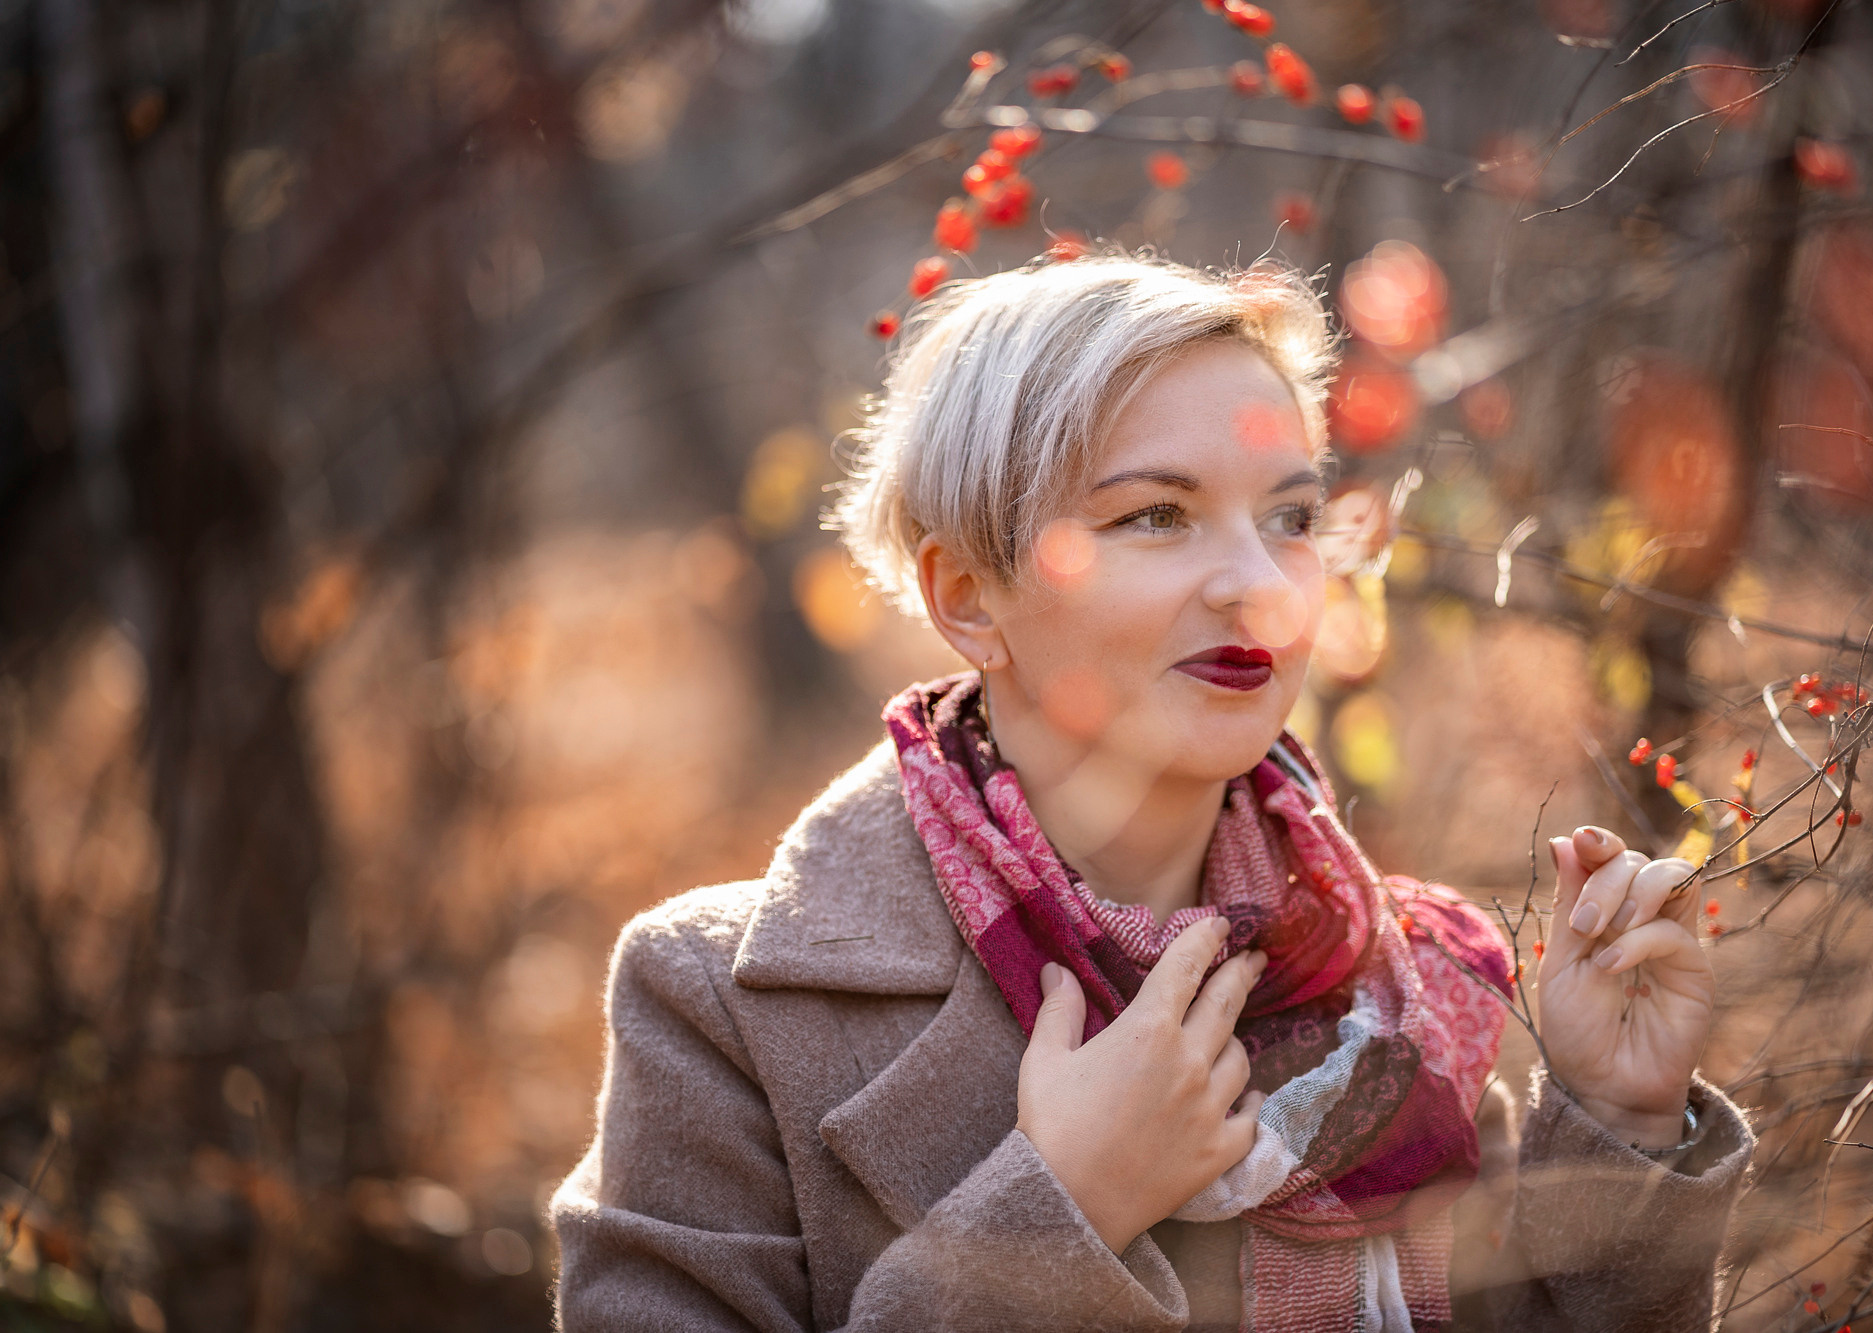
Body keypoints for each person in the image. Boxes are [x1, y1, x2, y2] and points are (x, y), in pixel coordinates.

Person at [550, 254, 1754, 1332]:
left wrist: (1616, 1125)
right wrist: (1062, 1208)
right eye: (1156, 515)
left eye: (1288, 516)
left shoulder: (1383, 983)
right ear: (967, 593)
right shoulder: (717, 1005)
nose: (1256, 586)